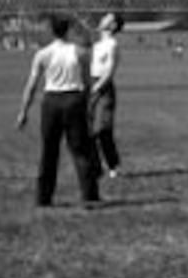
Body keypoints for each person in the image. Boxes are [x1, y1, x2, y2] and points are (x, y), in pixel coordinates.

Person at [17, 14, 101, 208]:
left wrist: (23, 112)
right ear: (68, 30)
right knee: (80, 150)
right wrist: (87, 105)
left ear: (52, 30)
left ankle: (43, 198)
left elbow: (31, 85)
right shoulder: (81, 52)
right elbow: (88, 82)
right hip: (74, 99)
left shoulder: (43, 54)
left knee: (49, 151)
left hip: (52, 102)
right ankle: (89, 195)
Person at [89, 11, 125, 178]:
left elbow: (109, 71)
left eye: (107, 18)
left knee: (103, 130)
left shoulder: (112, 44)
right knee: (87, 131)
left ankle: (113, 165)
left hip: (103, 88)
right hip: (90, 85)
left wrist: (96, 88)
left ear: (113, 25)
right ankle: (95, 167)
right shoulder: (96, 45)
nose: (102, 18)